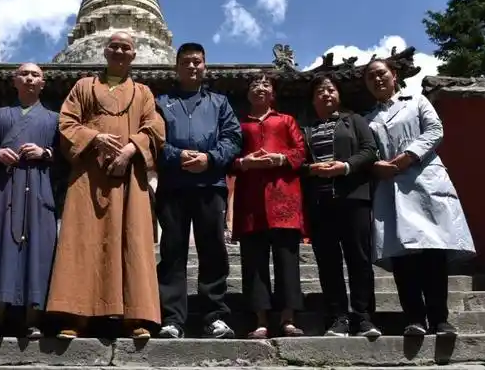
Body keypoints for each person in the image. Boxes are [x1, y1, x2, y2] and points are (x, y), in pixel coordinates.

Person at [46, 32, 166, 340]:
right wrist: (95, 137)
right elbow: (67, 124)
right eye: (114, 46)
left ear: (133, 55)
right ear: (105, 50)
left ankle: (135, 318)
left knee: (133, 242)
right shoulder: (84, 87)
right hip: (88, 175)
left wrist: (130, 150)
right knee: (82, 240)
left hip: (128, 177)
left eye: (126, 47)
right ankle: (76, 315)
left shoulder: (143, 92)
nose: (120, 51)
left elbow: (154, 127)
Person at [363, 59, 475, 337]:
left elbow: (435, 130)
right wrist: (374, 166)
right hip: (391, 189)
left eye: (381, 74)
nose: (377, 80)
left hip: (424, 182)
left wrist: (407, 157)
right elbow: (367, 152)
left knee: (432, 252)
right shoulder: (366, 120)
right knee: (403, 256)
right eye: (371, 77)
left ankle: (440, 319)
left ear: (394, 76)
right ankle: (414, 317)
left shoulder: (417, 102)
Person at [154, 42, 241, 339]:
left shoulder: (220, 103)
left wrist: (210, 159)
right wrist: (176, 156)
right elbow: (154, 138)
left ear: (205, 66)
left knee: (213, 251)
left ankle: (214, 316)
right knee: (172, 253)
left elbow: (232, 138)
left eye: (198, 61)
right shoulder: (161, 102)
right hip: (174, 187)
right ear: (176, 67)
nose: (192, 66)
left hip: (210, 185)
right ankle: (172, 318)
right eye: (187, 62)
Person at [0, 63, 59, 339]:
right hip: (4, 189)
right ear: (14, 81)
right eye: (25, 74)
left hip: (39, 190)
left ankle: (33, 317)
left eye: (36, 75)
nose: (30, 78)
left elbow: (69, 154)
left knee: (38, 250)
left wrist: (45, 152)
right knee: (0, 245)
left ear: (43, 83)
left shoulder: (55, 119)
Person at [300, 76, 380, 338]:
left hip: (353, 197)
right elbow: (297, 162)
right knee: (328, 262)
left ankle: (364, 317)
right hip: (320, 201)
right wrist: (310, 169)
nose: (326, 94)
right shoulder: (305, 129)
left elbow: (370, 150)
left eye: (331, 90)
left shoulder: (354, 121)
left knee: (359, 258)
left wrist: (345, 167)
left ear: (339, 96)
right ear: (313, 99)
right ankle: (338, 317)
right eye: (320, 91)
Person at [231, 75, 306, 339]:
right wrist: (243, 162)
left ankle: (288, 318)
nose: (260, 89)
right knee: (254, 262)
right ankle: (259, 319)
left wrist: (281, 158)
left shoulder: (286, 121)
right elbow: (229, 159)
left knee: (287, 261)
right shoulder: (239, 126)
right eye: (254, 86)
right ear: (248, 94)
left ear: (272, 93)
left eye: (265, 85)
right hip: (250, 202)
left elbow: (300, 152)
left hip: (284, 199)